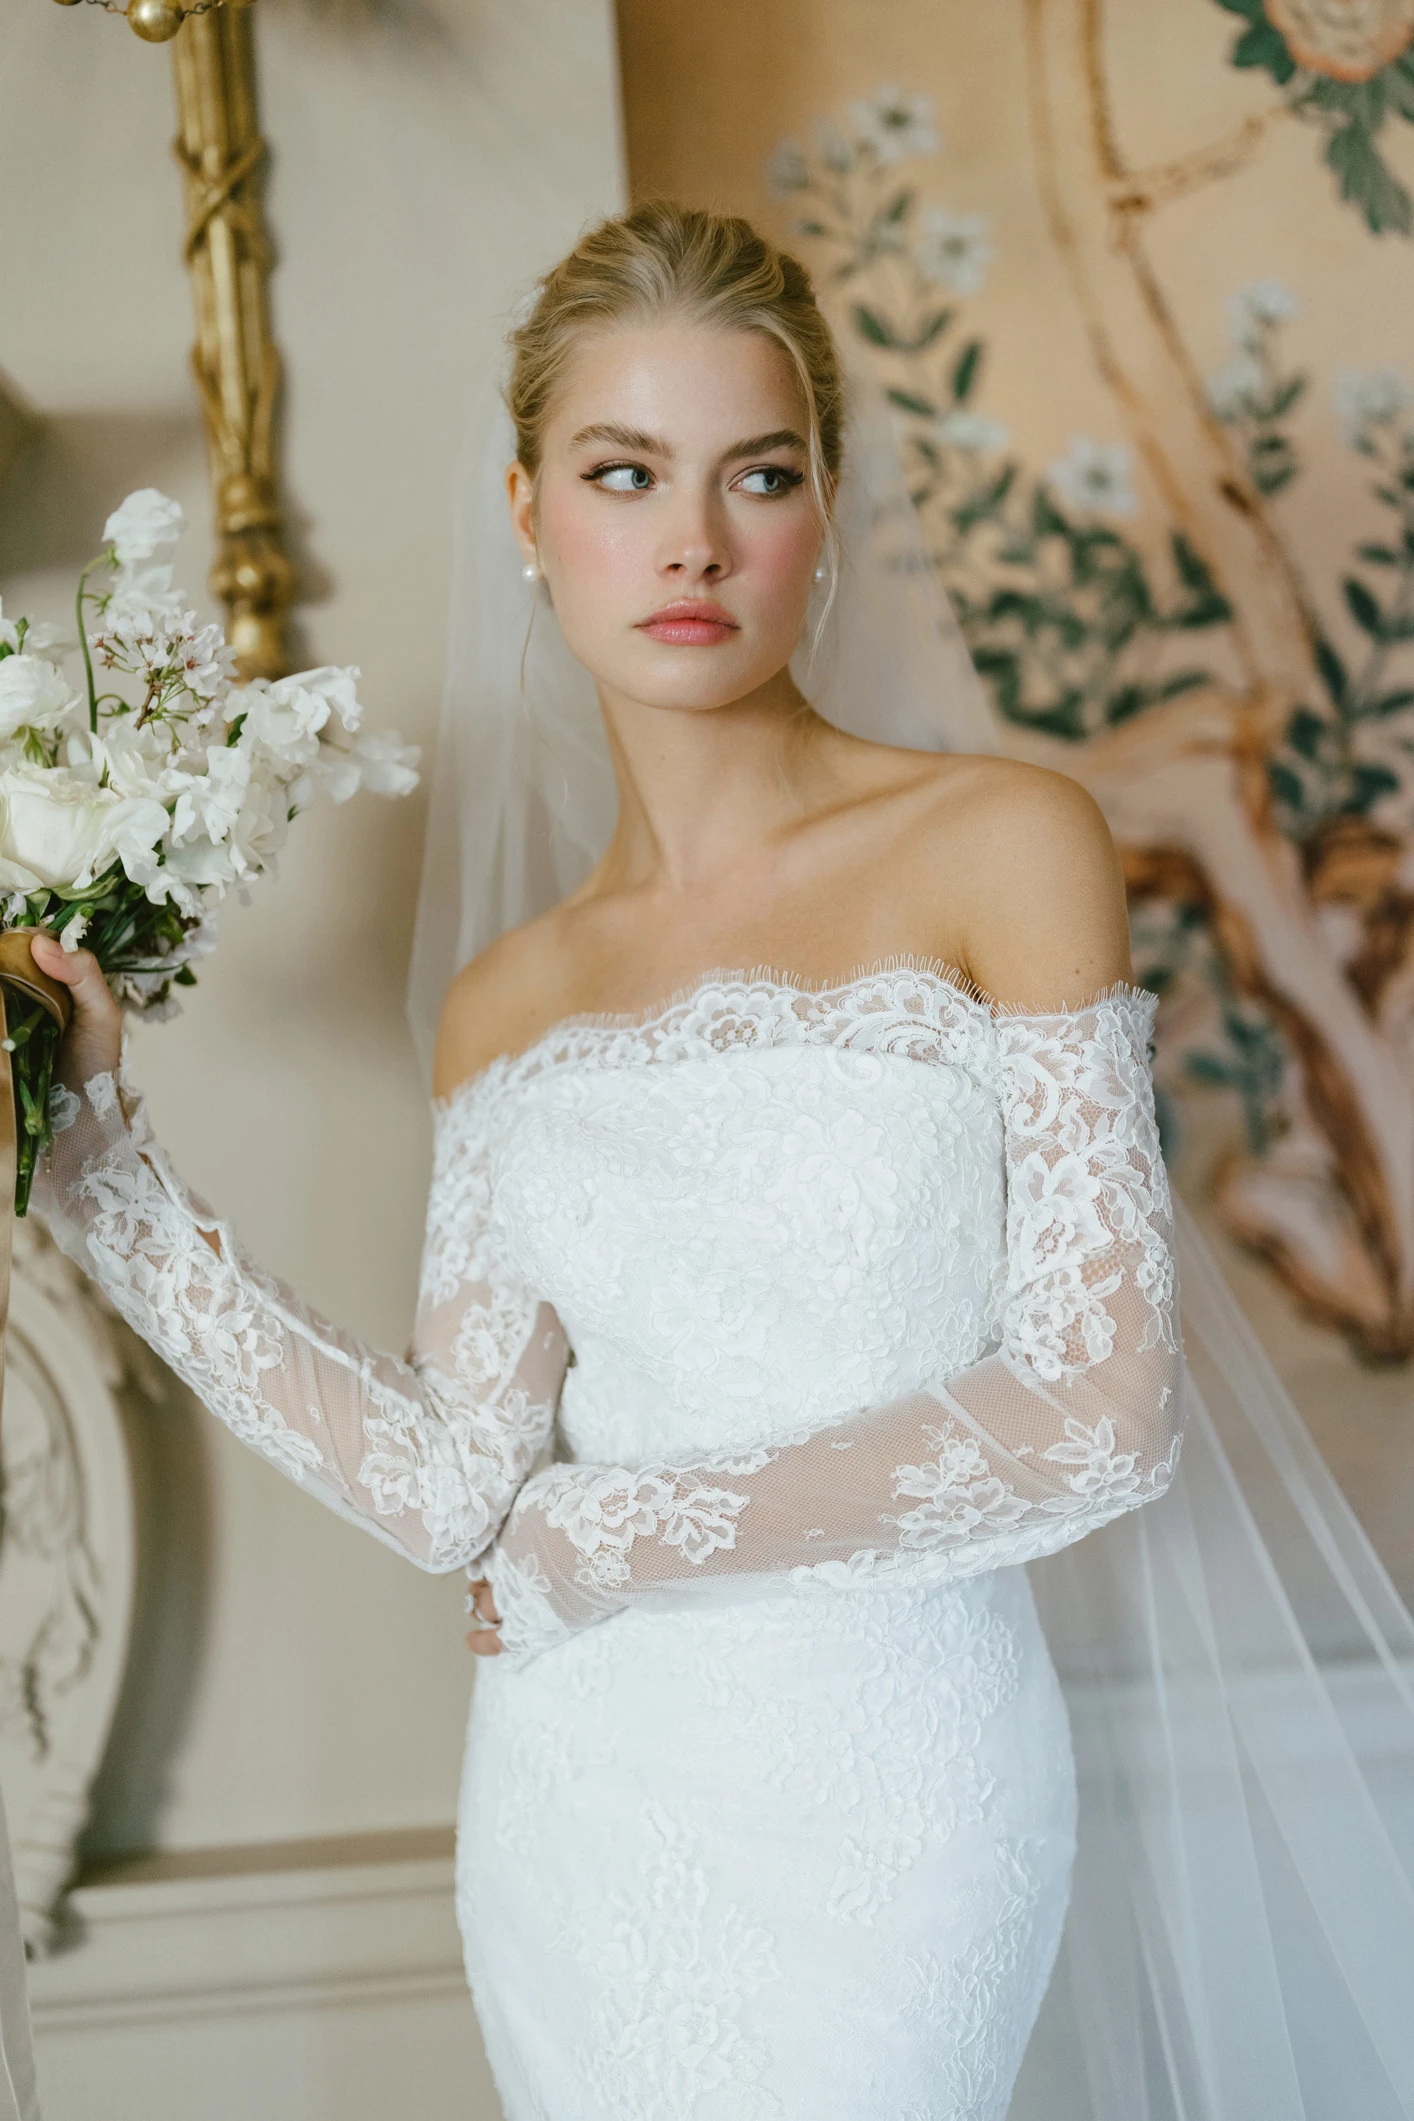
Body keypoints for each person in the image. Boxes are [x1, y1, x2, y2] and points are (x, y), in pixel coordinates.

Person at [25, 206, 1413, 2121]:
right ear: (529, 513)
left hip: (892, 1794)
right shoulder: (508, 1003)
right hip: (582, 1801)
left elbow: (1098, 1414)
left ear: (826, 508)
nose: (692, 539)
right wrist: (101, 1173)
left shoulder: (1003, 844)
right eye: (623, 474)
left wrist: (613, 1536)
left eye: (754, 475)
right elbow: (453, 1488)